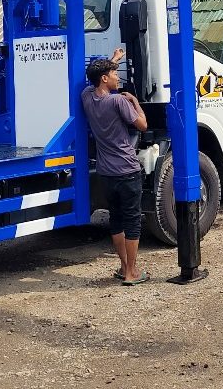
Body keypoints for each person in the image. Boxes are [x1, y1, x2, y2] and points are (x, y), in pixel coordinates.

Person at [81, 47, 149, 285]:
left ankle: (123, 267)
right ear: (104, 78)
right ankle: (132, 273)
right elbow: (142, 125)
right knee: (132, 221)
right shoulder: (119, 101)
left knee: (116, 220)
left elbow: (97, 77)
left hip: (106, 173)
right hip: (128, 172)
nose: (117, 76)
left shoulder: (87, 97)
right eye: (114, 73)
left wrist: (114, 60)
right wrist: (135, 102)